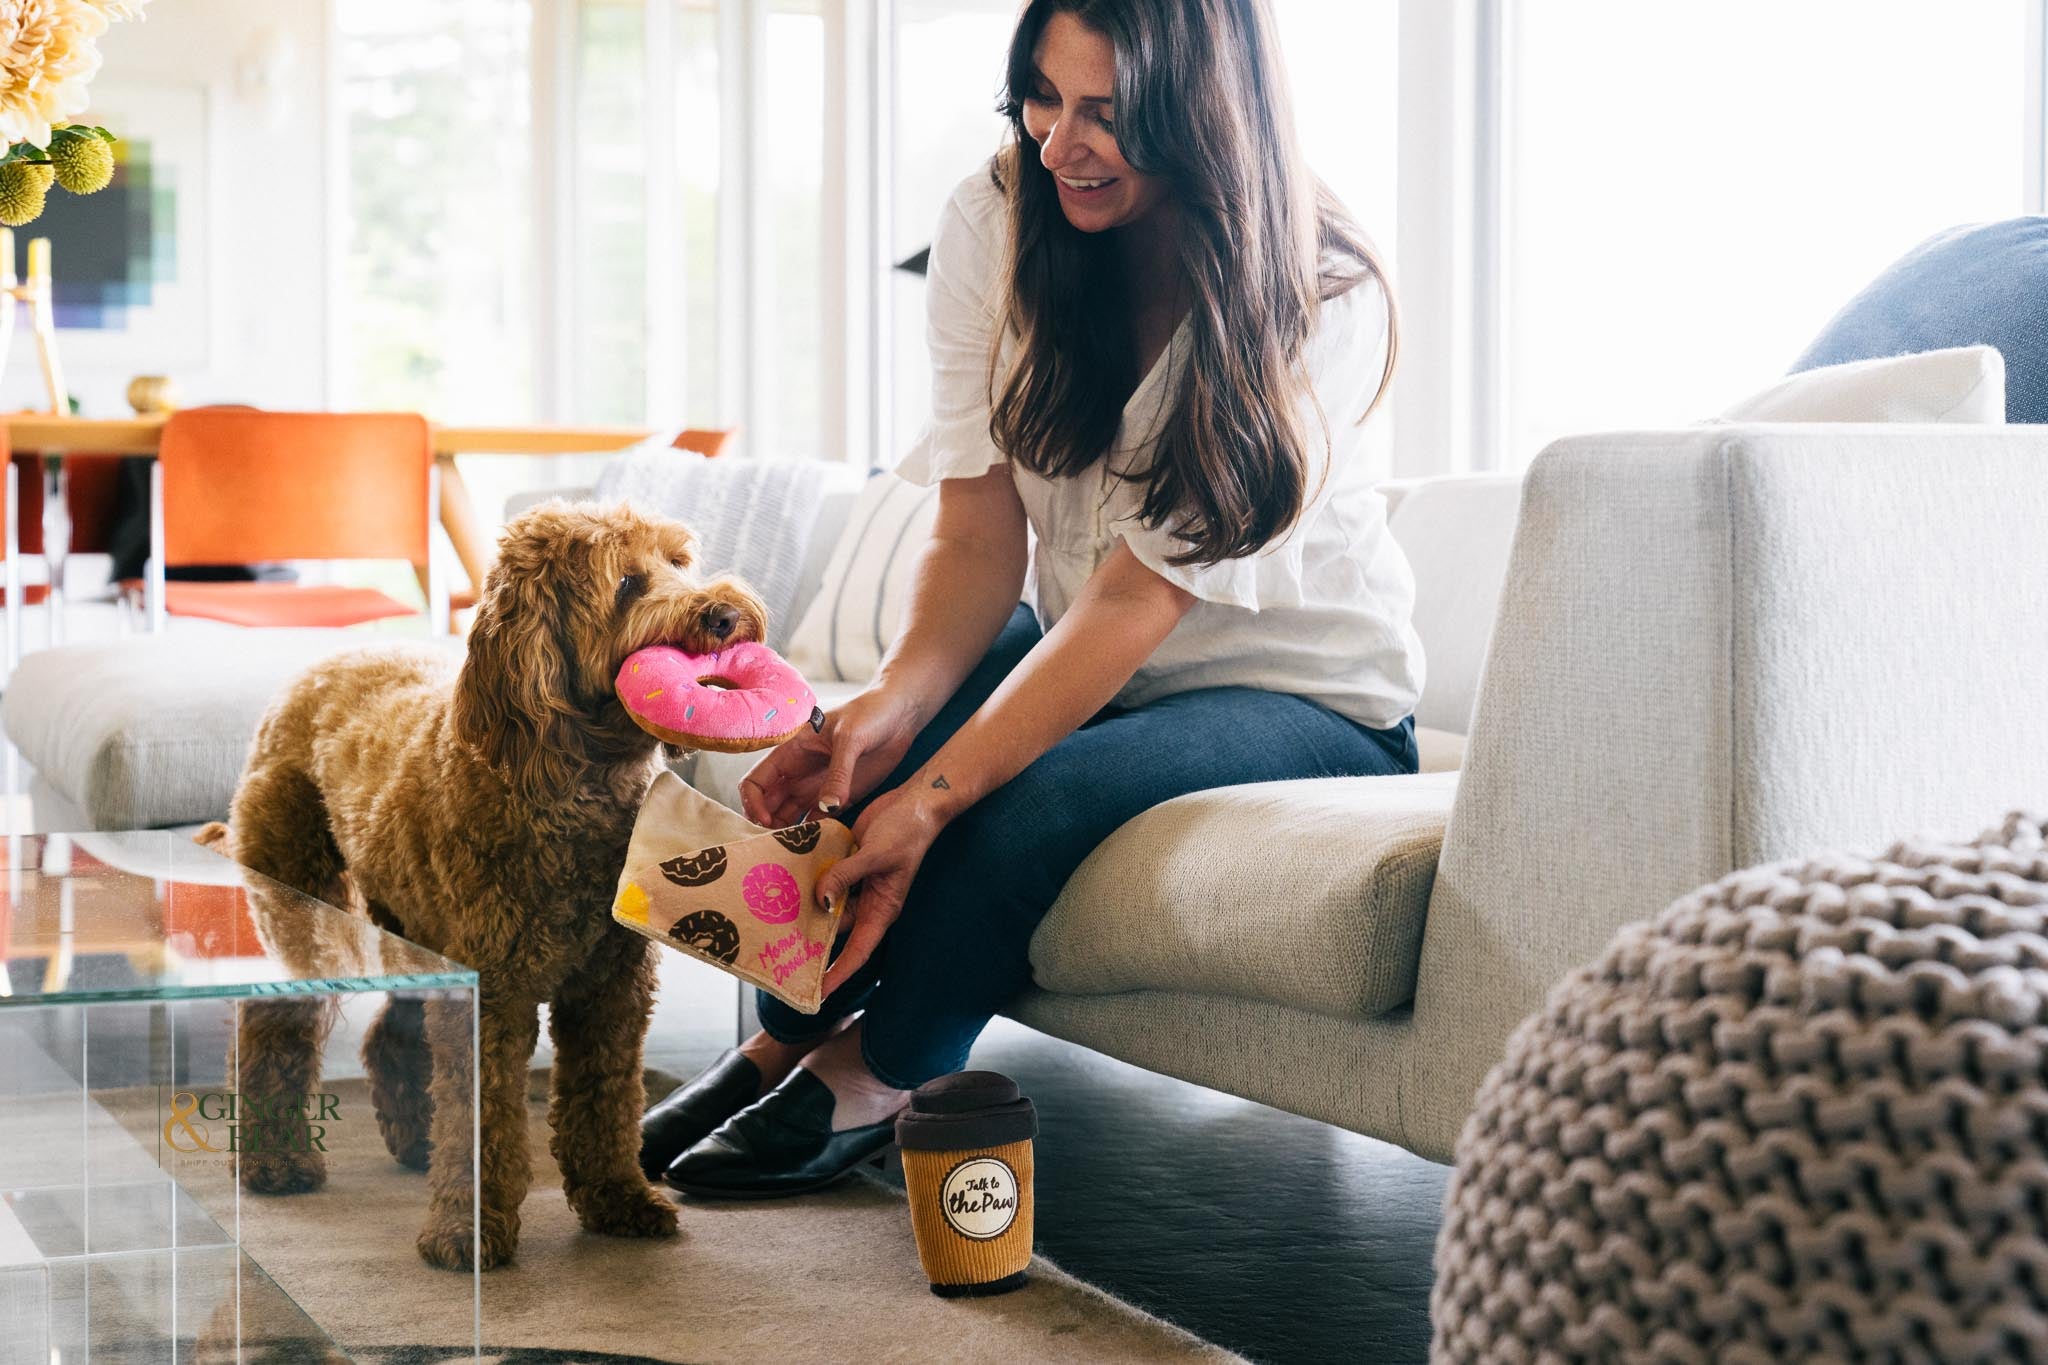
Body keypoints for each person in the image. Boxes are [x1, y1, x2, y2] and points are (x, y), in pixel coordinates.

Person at [644, 0, 1425, 1198]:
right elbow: (972, 533)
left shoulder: (1316, 290)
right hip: (1086, 643)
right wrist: (889, 710)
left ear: (1205, 115)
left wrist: (939, 789)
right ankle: (780, 1041)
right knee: (863, 771)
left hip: (1300, 696)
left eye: (1109, 114)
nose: (1061, 142)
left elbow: (1132, 606)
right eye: (1043, 98)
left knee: (997, 809)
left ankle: (880, 1074)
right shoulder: (995, 215)